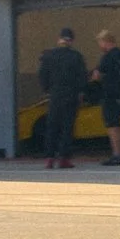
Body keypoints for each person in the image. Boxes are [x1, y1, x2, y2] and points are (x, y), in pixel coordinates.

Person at [36, 28, 89, 170]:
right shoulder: (76, 56)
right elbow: (82, 77)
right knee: (67, 127)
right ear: (71, 40)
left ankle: (49, 158)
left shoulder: (49, 56)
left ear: (59, 39)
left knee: (52, 126)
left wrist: (47, 90)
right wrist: (81, 92)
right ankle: (64, 158)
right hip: (71, 96)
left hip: (55, 95)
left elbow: (42, 75)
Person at [93, 29, 120, 165]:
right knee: (119, 125)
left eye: (100, 42)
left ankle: (116, 155)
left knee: (112, 125)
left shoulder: (108, 57)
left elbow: (97, 76)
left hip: (110, 94)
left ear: (105, 42)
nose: (100, 46)